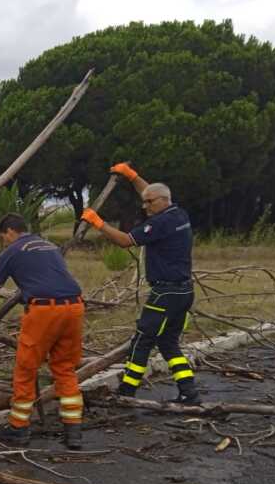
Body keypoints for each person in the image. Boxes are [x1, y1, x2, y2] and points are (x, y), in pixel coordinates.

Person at [0, 213, 85, 450]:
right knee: (65, 367)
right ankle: (73, 430)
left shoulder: (11, 252)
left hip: (44, 311)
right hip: (75, 306)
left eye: (2, 238)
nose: (3, 242)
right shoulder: (49, 246)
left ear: (9, 232)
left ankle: (18, 427)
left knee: (26, 367)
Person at [80, 162, 200, 404]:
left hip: (165, 293)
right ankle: (189, 392)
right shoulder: (178, 213)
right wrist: (132, 176)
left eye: (149, 203)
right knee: (168, 342)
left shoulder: (159, 223)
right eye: (144, 202)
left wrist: (98, 223)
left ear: (163, 200)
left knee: (142, 341)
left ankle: (126, 392)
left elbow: (126, 241)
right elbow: (152, 191)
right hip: (184, 292)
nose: (145, 206)